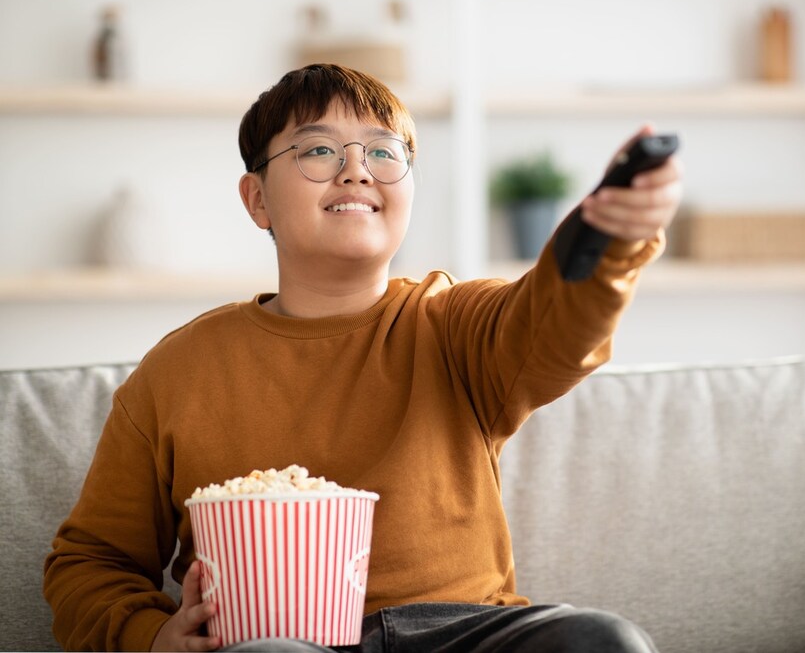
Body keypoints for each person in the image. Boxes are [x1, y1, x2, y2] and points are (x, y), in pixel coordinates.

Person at [43, 63, 682, 652]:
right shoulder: (179, 371)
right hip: (278, 640)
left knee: (602, 638)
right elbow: (91, 561)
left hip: (463, 630)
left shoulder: (453, 324)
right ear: (256, 198)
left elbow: (552, 324)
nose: (358, 169)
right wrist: (150, 636)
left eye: (383, 151)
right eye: (319, 150)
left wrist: (609, 236)